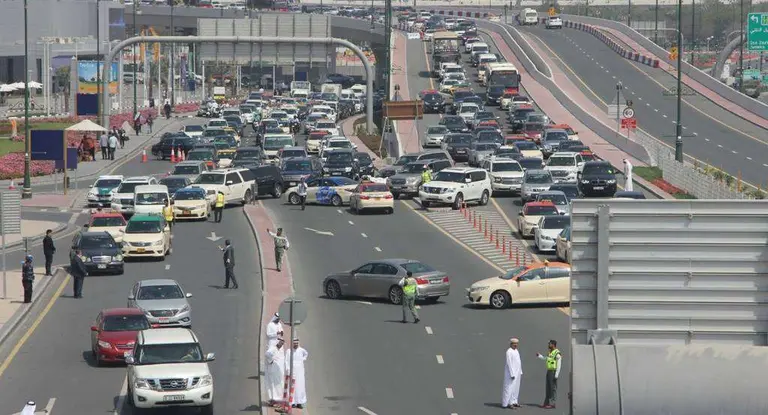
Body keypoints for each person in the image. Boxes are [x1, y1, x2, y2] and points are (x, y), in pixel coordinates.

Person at [537, 339, 562, 409]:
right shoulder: (550, 352)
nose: (548, 345)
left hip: (553, 372)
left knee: (552, 388)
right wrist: (539, 356)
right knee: (548, 388)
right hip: (549, 371)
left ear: (553, 345)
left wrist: (556, 374)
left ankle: (552, 403)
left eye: (549, 344)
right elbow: (546, 358)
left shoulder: (557, 353)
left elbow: (559, 364)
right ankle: (546, 403)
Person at [284, 338, 308, 409]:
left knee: (300, 387)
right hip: (292, 371)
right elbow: (286, 361)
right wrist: (288, 369)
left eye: (297, 343)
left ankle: (299, 403)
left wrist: (303, 359)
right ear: (292, 343)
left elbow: (306, 354)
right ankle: (293, 402)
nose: (296, 345)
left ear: (298, 343)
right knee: (292, 386)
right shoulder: (289, 351)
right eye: (294, 343)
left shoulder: (301, 350)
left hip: (300, 372)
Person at [502, 338, 523, 409]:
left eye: (516, 344)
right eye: (514, 344)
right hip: (511, 373)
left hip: (517, 372)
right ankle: (507, 403)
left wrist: (520, 371)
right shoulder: (509, 351)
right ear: (511, 344)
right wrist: (512, 374)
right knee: (509, 387)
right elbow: (509, 363)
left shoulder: (516, 351)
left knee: (516, 388)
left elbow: (519, 362)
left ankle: (514, 401)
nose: (516, 345)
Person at [265, 339, 286, 407]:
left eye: (282, 344)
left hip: (278, 371)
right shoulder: (273, 348)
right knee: (273, 386)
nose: (281, 345)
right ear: (278, 342)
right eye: (280, 343)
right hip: (272, 370)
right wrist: (271, 361)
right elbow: (267, 354)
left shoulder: (279, 350)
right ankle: (273, 400)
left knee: (278, 385)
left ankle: (277, 400)